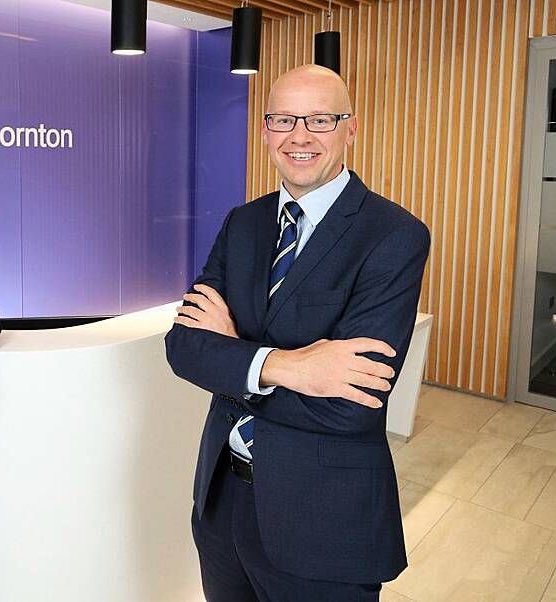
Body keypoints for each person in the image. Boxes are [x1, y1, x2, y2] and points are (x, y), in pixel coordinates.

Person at [165, 65, 430, 600]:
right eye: (283, 119)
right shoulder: (244, 222)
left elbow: (350, 406)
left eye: (320, 120)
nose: (299, 136)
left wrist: (233, 356)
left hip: (321, 522)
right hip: (222, 505)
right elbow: (184, 347)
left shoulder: (393, 235)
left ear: (350, 129)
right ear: (265, 130)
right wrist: (287, 366)